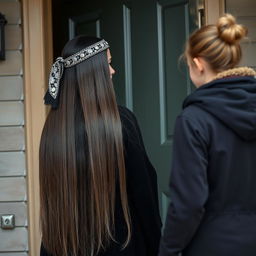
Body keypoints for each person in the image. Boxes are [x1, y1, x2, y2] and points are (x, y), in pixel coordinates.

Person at [39, 35, 161, 256]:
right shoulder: (120, 122)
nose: (113, 71)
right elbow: (144, 193)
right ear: (92, 73)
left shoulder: (52, 130)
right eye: (108, 64)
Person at [159, 13, 256, 256]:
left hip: (213, 245)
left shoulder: (193, 120)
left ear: (199, 63)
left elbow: (189, 203)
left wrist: (167, 250)